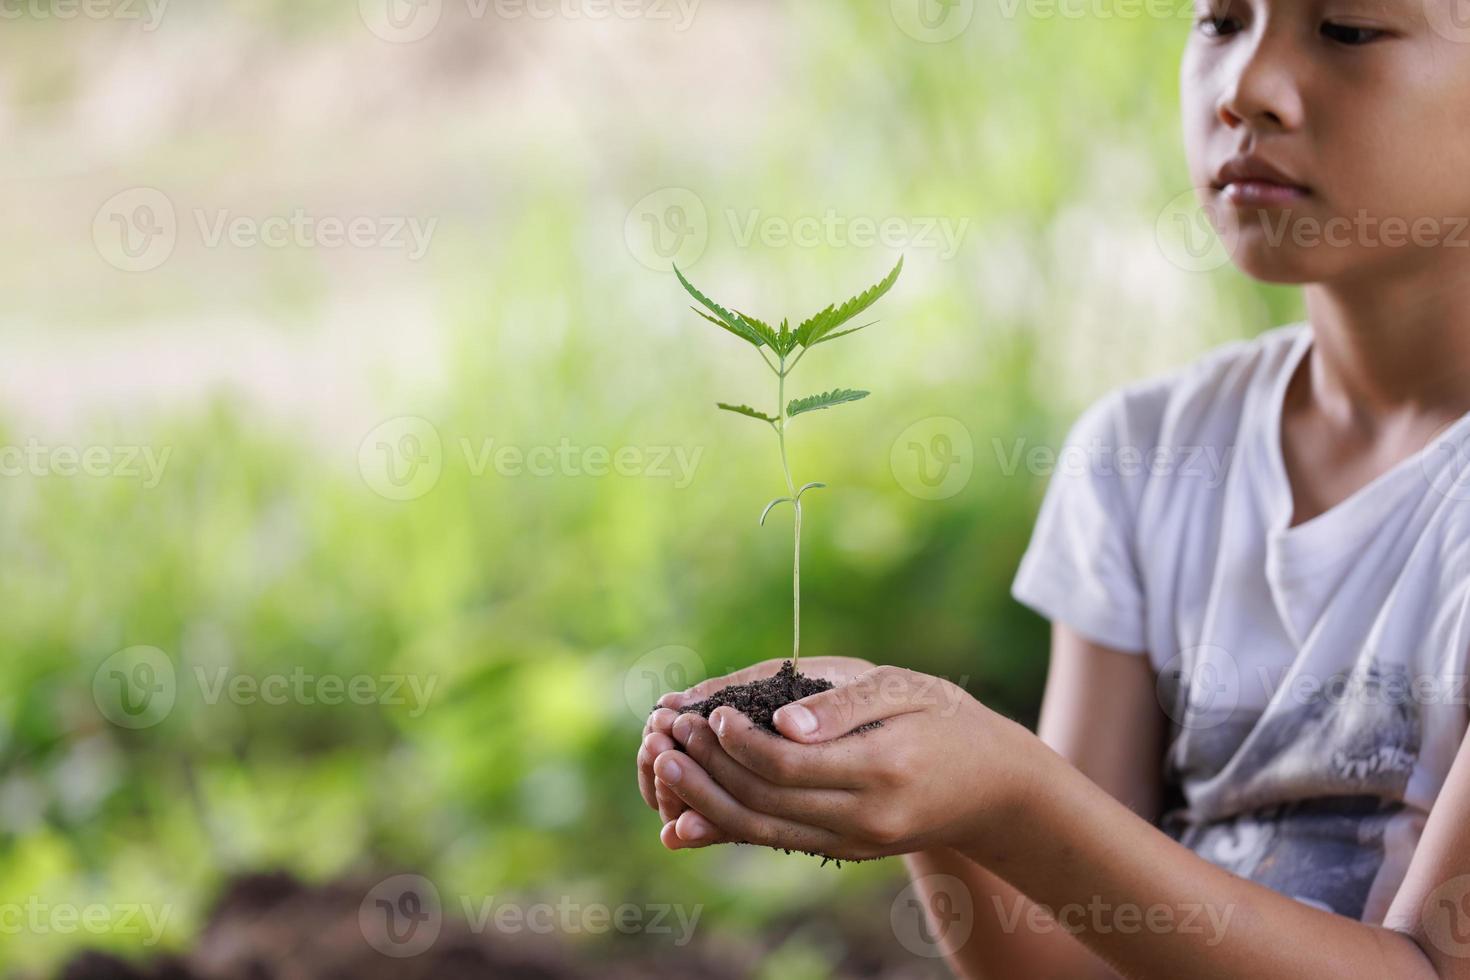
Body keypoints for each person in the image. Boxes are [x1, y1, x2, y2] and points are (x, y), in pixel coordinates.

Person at [637, 4, 1470, 977]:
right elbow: (1065, 959)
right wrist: (931, 792)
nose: (1246, 88)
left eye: (1346, 29)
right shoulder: (1145, 454)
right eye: (1219, 21)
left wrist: (1011, 786)